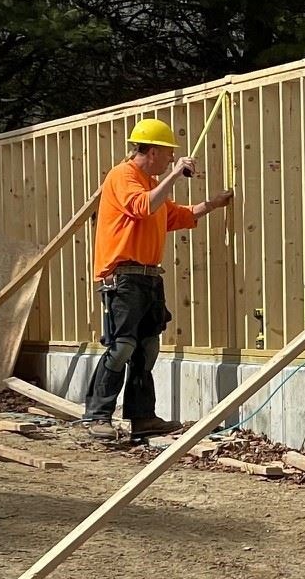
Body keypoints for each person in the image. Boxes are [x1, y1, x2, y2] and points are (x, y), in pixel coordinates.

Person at [75, 118, 234, 441]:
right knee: (122, 347)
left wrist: (212, 204)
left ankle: (143, 417)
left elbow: (173, 215)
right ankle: (97, 416)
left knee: (147, 348)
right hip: (122, 277)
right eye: (168, 153)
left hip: (148, 277)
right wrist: (175, 175)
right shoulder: (122, 176)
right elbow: (142, 207)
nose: (171, 159)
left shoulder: (150, 183)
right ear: (152, 151)